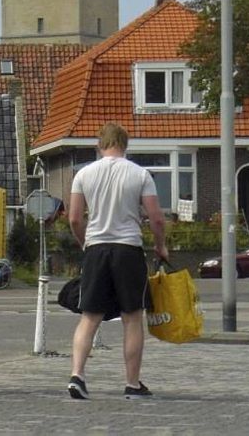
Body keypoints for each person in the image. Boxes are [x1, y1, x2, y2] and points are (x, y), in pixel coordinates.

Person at [66, 122, 168, 400]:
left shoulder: (83, 175)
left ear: (99, 145)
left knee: (89, 317)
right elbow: (156, 218)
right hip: (128, 249)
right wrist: (161, 246)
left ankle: (78, 375)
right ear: (125, 145)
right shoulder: (140, 174)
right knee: (132, 317)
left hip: (97, 249)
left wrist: (85, 242)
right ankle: (132, 384)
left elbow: (74, 217)